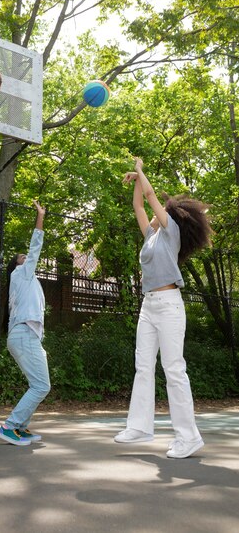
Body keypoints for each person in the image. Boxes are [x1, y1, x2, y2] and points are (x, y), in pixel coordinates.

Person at [114, 157, 212, 458]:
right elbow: (140, 207)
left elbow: (152, 199)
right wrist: (135, 183)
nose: (156, 214)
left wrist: (141, 171)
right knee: (143, 366)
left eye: (162, 213)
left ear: (170, 217)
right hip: (149, 306)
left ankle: (189, 436)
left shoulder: (171, 233)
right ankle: (140, 427)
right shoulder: (150, 237)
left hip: (169, 305)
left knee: (173, 369)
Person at [0, 201, 51, 446]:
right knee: (41, 385)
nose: (27, 257)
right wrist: (40, 218)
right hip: (24, 335)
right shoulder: (20, 274)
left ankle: (20, 426)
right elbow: (36, 246)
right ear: (17, 265)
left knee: (38, 384)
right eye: (23, 257)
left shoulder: (27, 280)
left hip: (27, 336)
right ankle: (10, 425)